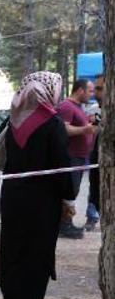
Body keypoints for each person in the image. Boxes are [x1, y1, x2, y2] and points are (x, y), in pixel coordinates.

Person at [0, 71, 75, 299]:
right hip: (42, 201)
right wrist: (69, 197)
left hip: (12, 196)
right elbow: (62, 164)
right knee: (36, 254)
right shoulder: (52, 123)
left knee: (13, 252)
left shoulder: (14, 121)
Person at [57, 79, 99, 239]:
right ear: (80, 90)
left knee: (72, 191)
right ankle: (64, 225)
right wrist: (85, 129)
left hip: (79, 157)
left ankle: (65, 223)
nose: (92, 94)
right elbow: (64, 129)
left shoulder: (79, 107)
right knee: (69, 191)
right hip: (71, 156)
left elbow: (90, 124)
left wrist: (97, 118)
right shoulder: (66, 106)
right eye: (90, 91)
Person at [85, 74, 104, 231]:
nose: (95, 93)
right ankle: (92, 216)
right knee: (94, 189)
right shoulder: (94, 109)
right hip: (96, 158)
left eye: (99, 89)